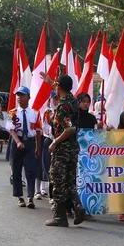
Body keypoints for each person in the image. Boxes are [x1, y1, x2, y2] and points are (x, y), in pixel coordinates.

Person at [40, 73, 86, 227]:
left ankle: (60, 216)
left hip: (63, 148)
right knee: (69, 180)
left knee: (58, 181)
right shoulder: (73, 100)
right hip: (73, 148)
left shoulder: (62, 107)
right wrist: (50, 82)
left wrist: (54, 142)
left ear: (59, 87)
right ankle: (78, 205)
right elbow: (62, 89)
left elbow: (69, 129)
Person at [6, 86, 42, 209]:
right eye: (18, 95)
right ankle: (20, 197)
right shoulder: (12, 113)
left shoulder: (36, 113)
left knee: (31, 170)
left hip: (30, 142)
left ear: (28, 97)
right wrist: (17, 142)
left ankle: (30, 197)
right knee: (16, 170)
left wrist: (37, 148)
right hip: (18, 141)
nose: (19, 98)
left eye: (22, 95)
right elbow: (11, 129)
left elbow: (38, 131)